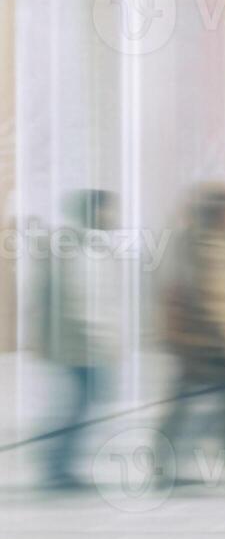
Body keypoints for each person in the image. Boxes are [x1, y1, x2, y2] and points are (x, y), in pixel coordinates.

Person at [158, 185, 225, 478]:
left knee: (221, 405)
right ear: (221, 212)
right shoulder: (207, 246)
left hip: (211, 341)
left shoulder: (222, 242)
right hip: (211, 343)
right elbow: (218, 299)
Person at [35, 190, 120, 490]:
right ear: (94, 212)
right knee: (79, 405)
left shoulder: (86, 245)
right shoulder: (80, 248)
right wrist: (99, 336)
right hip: (82, 345)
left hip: (82, 343)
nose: (113, 217)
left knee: (79, 404)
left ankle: (57, 464)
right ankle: (57, 466)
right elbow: (79, 299)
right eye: (108, 210)